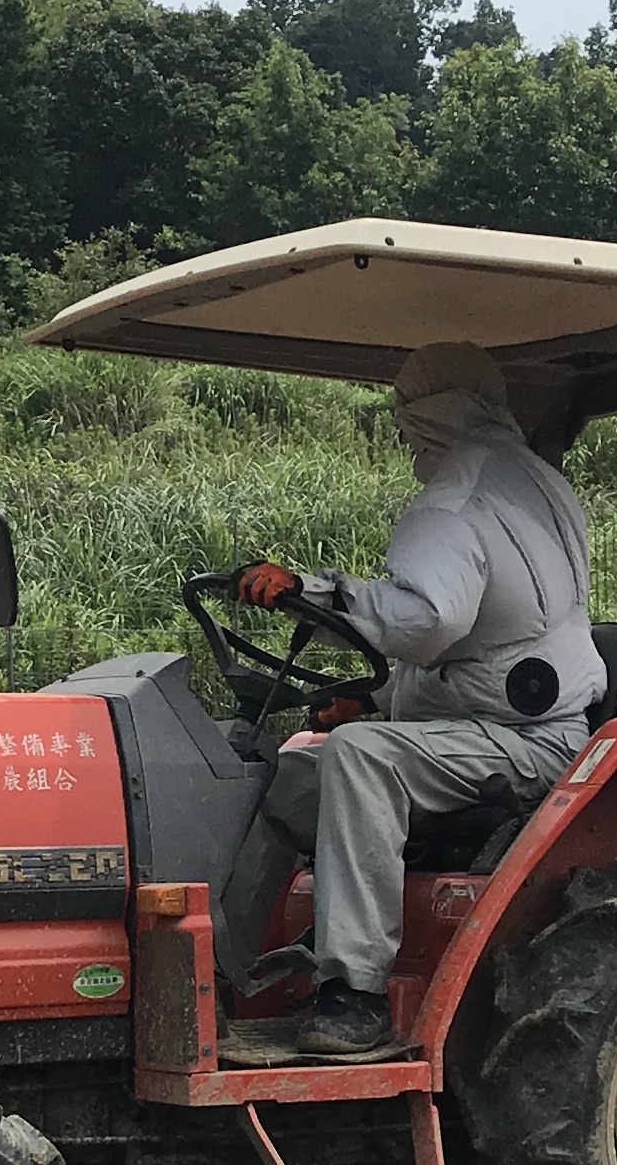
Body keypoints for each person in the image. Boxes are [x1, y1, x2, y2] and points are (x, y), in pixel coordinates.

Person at [214, 339, 596, 1062]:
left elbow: (428, 620)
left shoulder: (456, 497)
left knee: (360, 759)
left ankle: (353, 994)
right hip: (501, 724)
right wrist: (383, 700)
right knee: (285, 774)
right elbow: (489, 644)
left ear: (422, 413)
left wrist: (313, 594)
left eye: (403, 415)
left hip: (529, 741)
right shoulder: (539, 482)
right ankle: (228, 974)